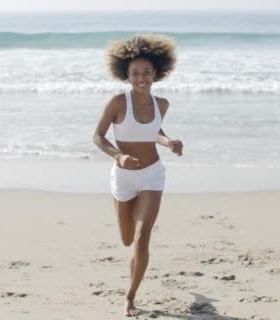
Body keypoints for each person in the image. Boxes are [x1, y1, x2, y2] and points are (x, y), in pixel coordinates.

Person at [93, 34, 184, 317]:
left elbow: (152, 132)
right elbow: (98, 136)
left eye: (147, 72)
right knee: (126, 238)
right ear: (126, 75)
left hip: (153, 174)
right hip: (123, 177)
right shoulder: (118, 102)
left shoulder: (162, 104)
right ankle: (128, 225)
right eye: (135, 73)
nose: (142, 77)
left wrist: (168, 142)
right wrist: (118, 156)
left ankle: (130, 297)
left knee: (142, 238)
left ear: (157, 73)